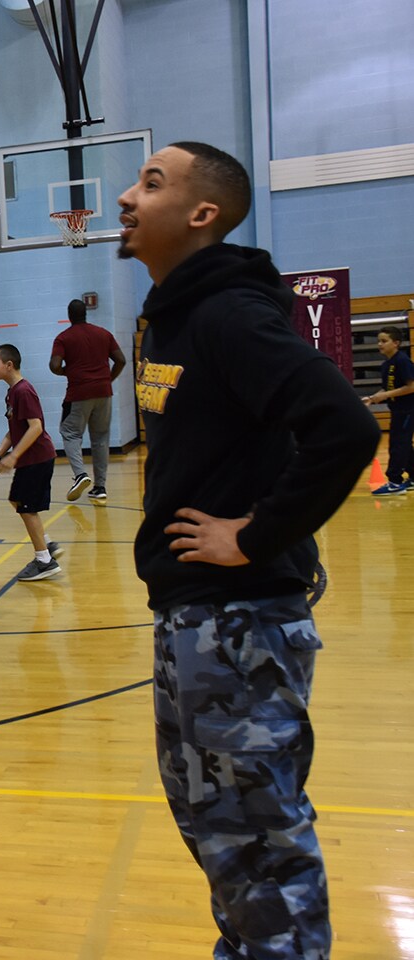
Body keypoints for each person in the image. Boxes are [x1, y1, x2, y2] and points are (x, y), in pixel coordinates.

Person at [119, 140, 379, 960]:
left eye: (150, 183)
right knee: (217, 826)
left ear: (202, 214)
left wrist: (259, 534)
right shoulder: (175, 312)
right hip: (197, 618)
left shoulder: (228, 312)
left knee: (259, 839)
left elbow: (343, 427)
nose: (127, 197)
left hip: (237, 620)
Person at [0, 344, 64, 581]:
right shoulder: (11, 392)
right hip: (29, 460)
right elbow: (13, 430)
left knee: (27, 508)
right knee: (17, 500)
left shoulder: (24, 391)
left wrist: (14, 456)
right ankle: (47, 544)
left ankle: (44, 561)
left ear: (8, 365)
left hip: (38, 458)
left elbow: (36, 427)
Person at [50, 298, 127, 501]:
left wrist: (68, 371)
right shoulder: (103, 333)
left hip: (78, 394)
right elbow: (121, 360)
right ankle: (100, 487)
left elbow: (54, 365)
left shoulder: (63, 338)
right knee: (101, 438)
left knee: (70, 433)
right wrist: (108, 379)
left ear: (69, 315)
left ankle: (81, 475)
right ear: (86, 313)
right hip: (104, 392)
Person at [365, 325, 414, 495]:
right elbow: (387, 388)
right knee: (404, 445)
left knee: (398, 444)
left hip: (408, 409)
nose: (380, 344)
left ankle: (394, 482)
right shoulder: (387, 364)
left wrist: (385, 396)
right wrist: (372, 398)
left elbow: (411, 386)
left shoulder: (402, 361)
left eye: (384, 341)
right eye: (379, 341)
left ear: (396, 343)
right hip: (398, 409)